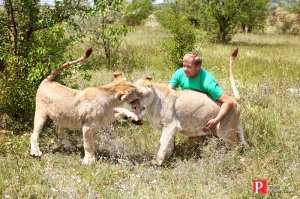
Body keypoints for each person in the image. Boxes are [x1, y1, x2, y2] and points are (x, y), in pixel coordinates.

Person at [168, 53, 237, 132]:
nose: (185, 69)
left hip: (207, 112)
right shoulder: (179, 73)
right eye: (184, 65)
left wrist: (216, 120)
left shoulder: (207, 82)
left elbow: (228, 102)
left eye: (189, 67)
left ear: (198, 67)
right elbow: (168, 91)